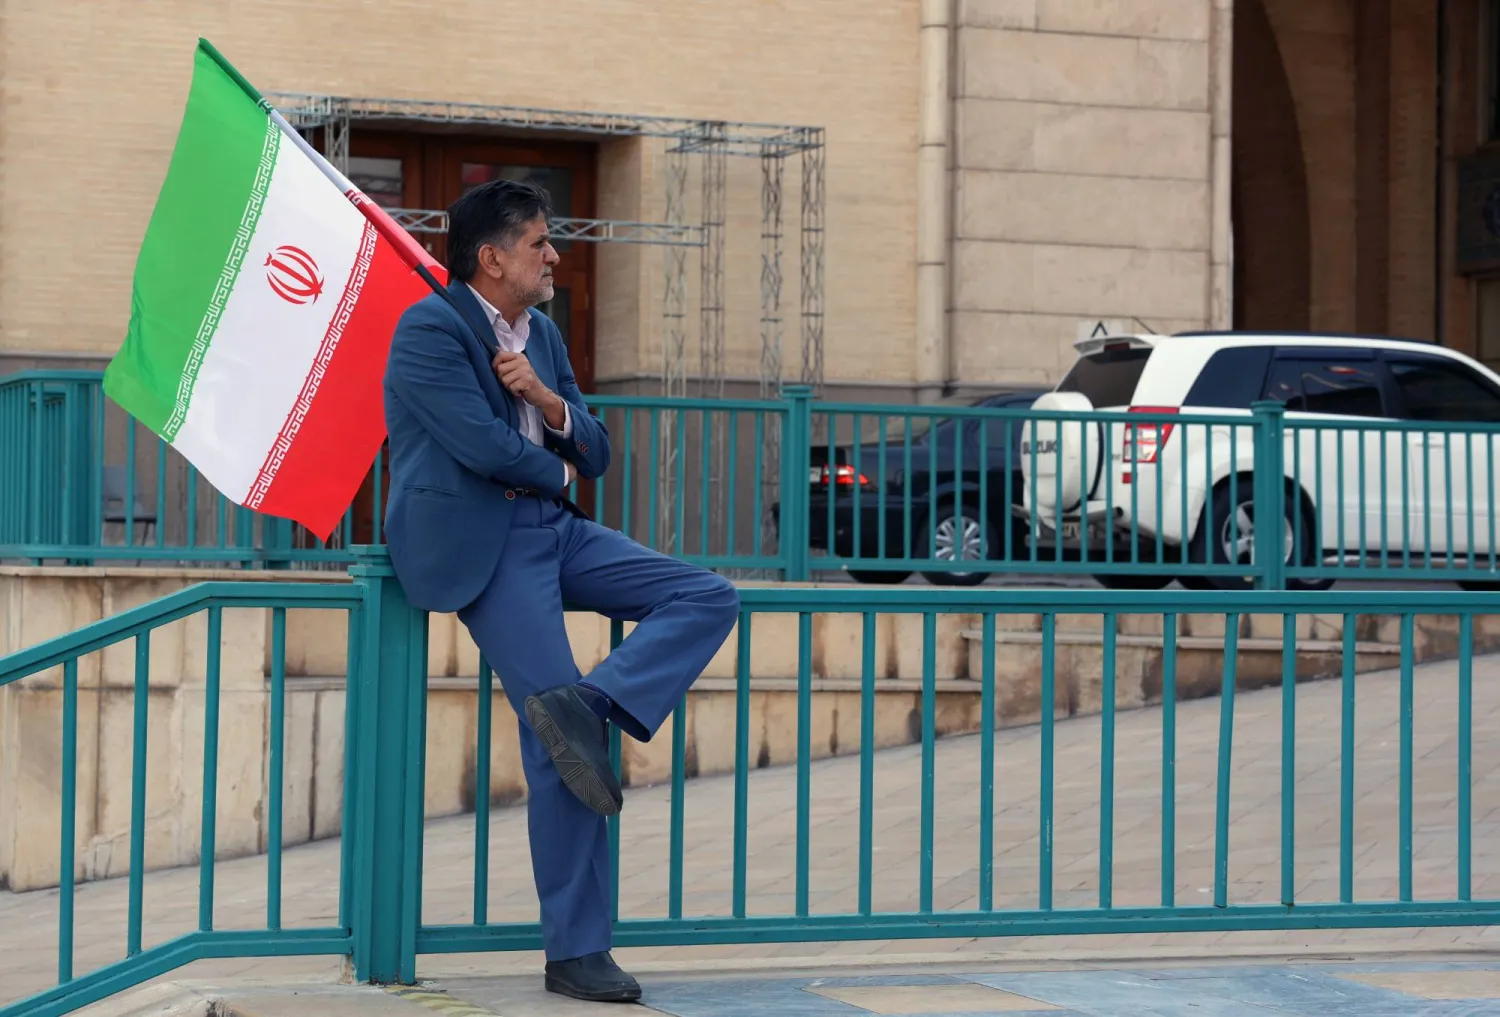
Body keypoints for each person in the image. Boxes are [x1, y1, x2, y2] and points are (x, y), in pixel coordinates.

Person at [381, 179, 740, 1002]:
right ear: (492, 256)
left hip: (556, 529)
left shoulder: (540, 333)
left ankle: (595, 700)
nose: (554, 255)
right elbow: (477, 444)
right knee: (561, 749)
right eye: (540, 241)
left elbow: (601, 450)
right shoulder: (428, 328)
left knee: (708, 596)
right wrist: (553, 458)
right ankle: (577, 952)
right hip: (487, 542)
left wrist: (548, 402)